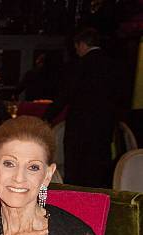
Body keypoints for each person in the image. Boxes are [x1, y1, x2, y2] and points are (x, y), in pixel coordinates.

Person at [43, 27, 121, 188]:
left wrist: (47, 116)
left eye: (77, 46)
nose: (76, 50)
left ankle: (75, 202)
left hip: (80, 126)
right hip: (104, 125)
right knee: (98, 167)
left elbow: (66, 94)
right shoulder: (114, 65)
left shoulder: (80, 65)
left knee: (77, 167)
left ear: (82, 44)